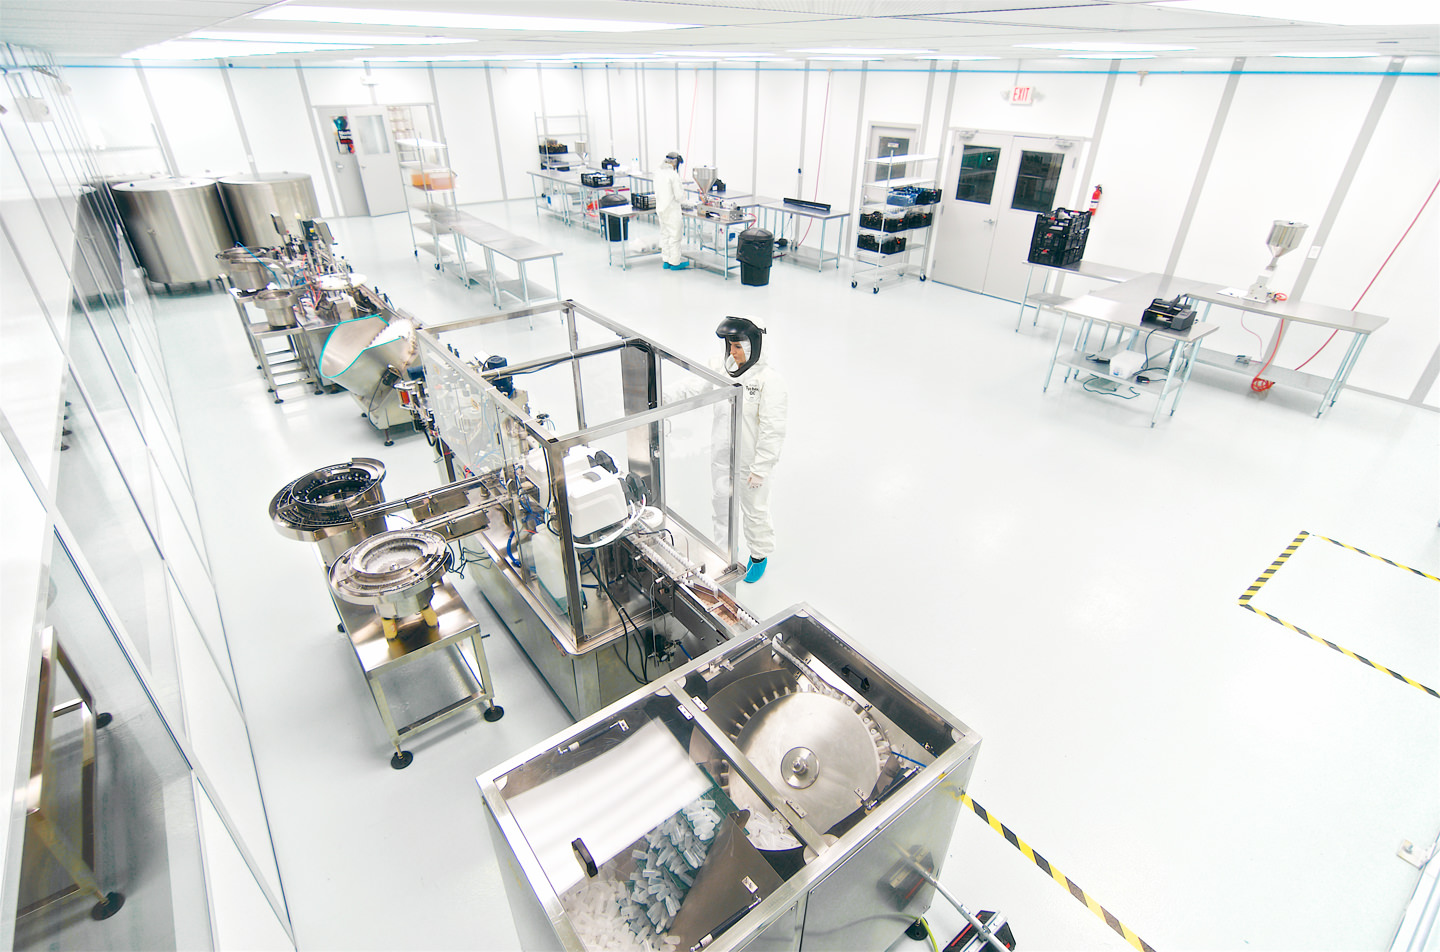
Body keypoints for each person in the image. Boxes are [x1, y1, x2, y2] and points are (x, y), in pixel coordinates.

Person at [713, 316, 787, 582]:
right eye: (729, 347)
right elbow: (693, 385)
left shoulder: (769, 381)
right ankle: (724, 553)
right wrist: (659, 397)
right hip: (723, 456)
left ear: (755, 346)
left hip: (750, 463)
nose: (732, 353)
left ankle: (759, 555)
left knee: (754, 510)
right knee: (721, 504)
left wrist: (761, 468)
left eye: (737, 347)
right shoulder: (725, 369)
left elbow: (773, 429)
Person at [656, 151, 689, 270]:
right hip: (672, 209)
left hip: (660, 209)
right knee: (675, 236)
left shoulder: (658, 172)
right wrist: (685, 198)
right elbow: (679, 196)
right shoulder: (673, 175)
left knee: (665, 234)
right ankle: (675, 262)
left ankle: (666, 260)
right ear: (675, 163)